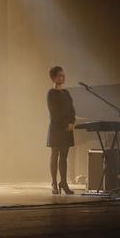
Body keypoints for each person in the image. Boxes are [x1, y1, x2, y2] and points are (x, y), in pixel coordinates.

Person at [47, 65, 76, 195]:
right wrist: (65, 124)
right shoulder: (51, 93)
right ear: (53, 77)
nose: (62, 77)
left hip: (67, 129)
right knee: (55, 156)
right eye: (59, 75)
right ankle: (54, 183)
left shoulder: (67, 93)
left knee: (64, 157)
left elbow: (72, 110)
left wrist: (72, 122)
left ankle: (63, 183)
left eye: (63, 75)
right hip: (57, 128)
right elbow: (54, 113)